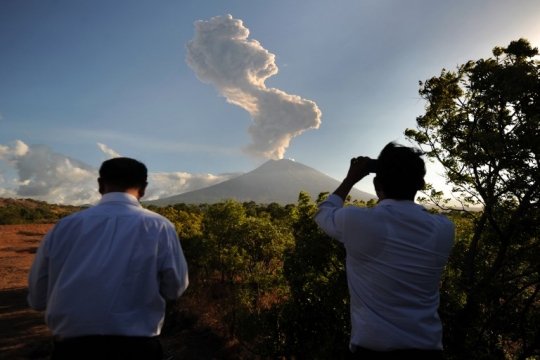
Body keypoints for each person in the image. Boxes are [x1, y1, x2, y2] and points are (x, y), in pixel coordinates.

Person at [28, 157, 189, 360]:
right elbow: (175, 288)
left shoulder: (65, 227)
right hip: (137, 350)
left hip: (73, 351)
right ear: (144, 188)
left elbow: (37, 297)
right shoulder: (159, 226)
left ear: (100, 185)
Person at [314, 142, 454, 359]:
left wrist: (350, 179)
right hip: (429, 350)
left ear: (377, 184)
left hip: (372, 350)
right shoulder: (444, 228)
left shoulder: (358, 221)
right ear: (420, 184)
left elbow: (324, 211)